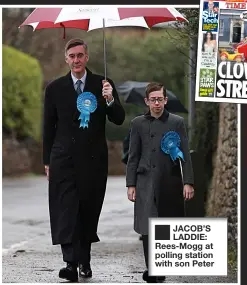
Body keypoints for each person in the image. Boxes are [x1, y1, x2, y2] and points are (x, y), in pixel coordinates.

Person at [43, 38, 125, 282]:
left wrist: (110, 100)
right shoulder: (54, 88)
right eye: (72, 56)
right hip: (63, 159)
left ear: (87, 57)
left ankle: (84, 261)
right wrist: (47, 160)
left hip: (93, 160)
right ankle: (70, 263)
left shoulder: (103, 84)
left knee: (86, 211)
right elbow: (48, 126)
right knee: (65, 210)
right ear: (66, 59)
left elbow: (119, 119)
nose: (77, 60)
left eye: (80, 55)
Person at [126, 82, 194, 283]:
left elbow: (185, 157)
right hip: (145, 181)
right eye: (153, 99)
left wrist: (188, 182)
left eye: (160, 99)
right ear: (147, 101)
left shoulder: (177, 122)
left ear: (166, 100)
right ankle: (152, 269)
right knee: (147, 226)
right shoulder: (137, 123)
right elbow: (133, 156)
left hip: (169, 180)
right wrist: (131, 184)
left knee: (163, 225)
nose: (157, 103)